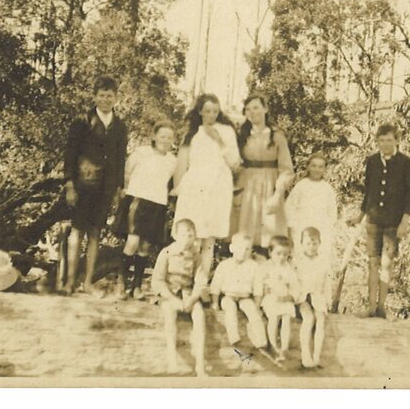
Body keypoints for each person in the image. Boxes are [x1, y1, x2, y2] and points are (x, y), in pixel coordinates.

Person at [62, 76, 129, 294]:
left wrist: (119, 188)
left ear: (116, 98)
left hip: (105, 189)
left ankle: (87, 282)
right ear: (94, 96)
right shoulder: (82, 121)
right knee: (77, 231)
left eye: (110, 96)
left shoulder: (120, 127)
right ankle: (70, 281)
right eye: (101, 95)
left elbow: (120, 159)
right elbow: (70, 154)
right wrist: (70, 184)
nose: (105, 100)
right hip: (83, 185)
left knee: (95, 234)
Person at [348, 123, 410, 319]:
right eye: (381, 140)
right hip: (373, 221)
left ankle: (382, 307)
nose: (385, 144)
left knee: (387, 264)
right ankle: (370, 307)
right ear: (377, 142)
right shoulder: (372, 161)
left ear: (396, 140)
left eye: (389, 140)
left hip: (393, 223)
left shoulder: (405, 162)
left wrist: (405, 222)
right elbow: (368, 191)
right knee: (372, 263)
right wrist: (359, 216)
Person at [172, 94, 241, 280]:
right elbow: (182, 162)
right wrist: (176, 189)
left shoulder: (226, 131)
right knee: (191, 236)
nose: (211, 115)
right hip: (195, 186)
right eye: (208, 111)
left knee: (209, 239)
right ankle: (184, 279)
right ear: (200, 111)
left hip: (218, 187)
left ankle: (200, 282)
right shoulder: (193, 132)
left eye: (215, 111)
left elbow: (234, 162)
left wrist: (218, 140)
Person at [112, 119, 178, 299]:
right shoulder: (141, 153)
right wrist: (126, 192)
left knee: (145, 247)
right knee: (132, 242)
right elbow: (127, 173)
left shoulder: (173, 161)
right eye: (162, 136)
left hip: (157, 204)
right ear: (154, 136)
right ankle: (120, 284)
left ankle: (137, 287)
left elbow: (171, 182)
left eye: (169, 137)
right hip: (138, 200)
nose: (165, 140)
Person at [235, 94, 294, 254]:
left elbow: (286, 170)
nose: (252, 112)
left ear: (265, 109)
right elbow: (234, 162)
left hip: (270, 189)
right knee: (244, 235)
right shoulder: (242, 135)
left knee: (268, 238)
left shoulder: (277, 136)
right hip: (246, 189)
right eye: (248, 109)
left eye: (256, 108)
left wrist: (277, 196)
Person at [153, 218, 209, 376]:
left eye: (191, 236)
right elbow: (157, 280)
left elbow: (200, 281)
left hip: (187, 293)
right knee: (169, 314)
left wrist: (192, 299)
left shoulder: (196, 256)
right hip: (169, 293)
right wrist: (172, 299)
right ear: (176, 235)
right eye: (184, 235)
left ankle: (200, 363)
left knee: (199, 315)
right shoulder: (166, 253)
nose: (187, 239)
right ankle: (172, 359)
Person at [209, 233, 267, 350]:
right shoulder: (224, 265)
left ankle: (261, 339)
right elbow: (215, 285)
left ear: (251, 250)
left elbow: (258, 288)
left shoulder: (254, 266)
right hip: (228, 296)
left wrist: (257, 304)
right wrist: (215, 303)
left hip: (245, 297)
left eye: (247, 249)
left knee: (253, 312)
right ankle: (233, 336)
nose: (243, 251)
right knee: (230, 309)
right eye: (240, 247)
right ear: (232, 248)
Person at [254, 235, 300, 362]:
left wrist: (290, 297)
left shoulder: (289, 268)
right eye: (278, 253)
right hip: (271, 299)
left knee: (286, 319)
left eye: (285, 254)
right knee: (274, 318)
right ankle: (273, 346)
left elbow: (295, 286)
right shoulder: (264, 267)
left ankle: (284, 348)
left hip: (285, 299)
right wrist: (257, 304)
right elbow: (258, 285)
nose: (281, 257)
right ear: (270, 252)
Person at [284, 153, 338, 259]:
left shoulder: (327, 189)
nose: (316, 169)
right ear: (308, 167)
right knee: (300, 258)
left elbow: (332, 213)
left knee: (319, 259)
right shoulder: (301, 186)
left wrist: (328, 231)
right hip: (301, 228)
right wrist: (291, 230)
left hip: (321, 229)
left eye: (320, 167)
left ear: (325, 169)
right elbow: (290, 208)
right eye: (313, 166)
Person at [294, 227, 331, 369]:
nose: (311, 247)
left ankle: (317, 355)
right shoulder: (297, 261)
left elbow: (327, 282)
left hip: (318, 295)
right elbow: (293, 281)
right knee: (308, 319)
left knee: (320, 319)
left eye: (314, 243)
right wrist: (295, 297)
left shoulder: (323, 261)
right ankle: (305, 354)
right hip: (302, 297)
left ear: (320, 244)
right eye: (308, 243)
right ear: (302, 244)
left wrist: (328, 299)